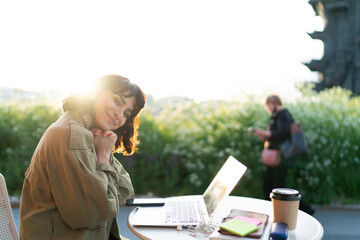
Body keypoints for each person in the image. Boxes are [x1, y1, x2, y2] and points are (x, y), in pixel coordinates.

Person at [19, 74, 146, 240]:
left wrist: (104, 161)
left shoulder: (91, 133)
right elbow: (90, 214)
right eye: (116, 101)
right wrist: (104, 157)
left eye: (126, 113)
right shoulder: (72, 137)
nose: (119, 114)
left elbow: (125, 190)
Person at [252, 95, 315, 215]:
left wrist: (266, 133)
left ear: (274, 103)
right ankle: (271, 210)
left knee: (278, 187)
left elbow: (282, 132)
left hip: (281, 156)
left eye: (268, 105)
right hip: (276, 156)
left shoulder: (283, 115)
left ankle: (306, 209)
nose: (268, 108)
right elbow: (277, 135)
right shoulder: (276, 117)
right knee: (269, 185)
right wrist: (264, 135)